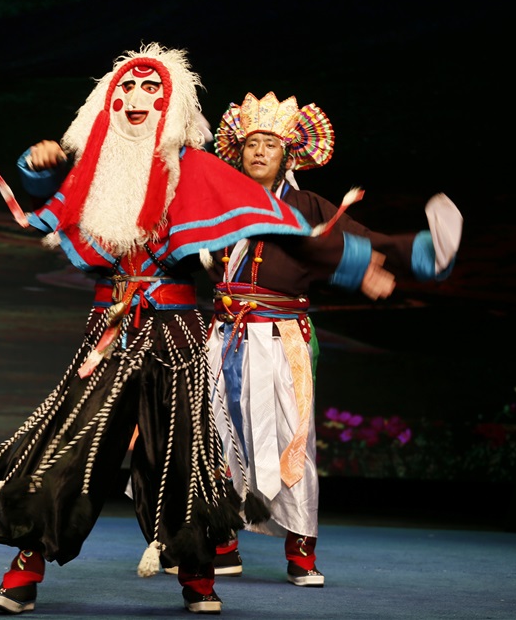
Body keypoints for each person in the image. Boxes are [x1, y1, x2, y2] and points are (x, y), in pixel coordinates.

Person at [0, 44, 403, 615]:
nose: (136, 98)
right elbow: (62, 207)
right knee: (72, 444)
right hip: (110, 329)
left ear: (171, 106)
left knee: (181, 455)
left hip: (173, 330)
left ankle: (196, 573)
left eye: (152, 89)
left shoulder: (194, 169)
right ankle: (25, 569)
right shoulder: (96, 167)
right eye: (126, 88)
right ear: (106, 102)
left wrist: (355, 264)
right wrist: (38, 167)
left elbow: (278, 225)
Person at [190, 91, 461, 587]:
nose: (259, 151)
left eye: (271, 144)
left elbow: (342, 243)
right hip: (226, 337)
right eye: (251, 143)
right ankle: (222, 538)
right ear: (239, 151)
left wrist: (369, 265)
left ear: (287, 155)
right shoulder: (220, 203)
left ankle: (300, 548)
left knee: (293, 438)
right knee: (219, 437)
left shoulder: (305, 205)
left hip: (281, 338)